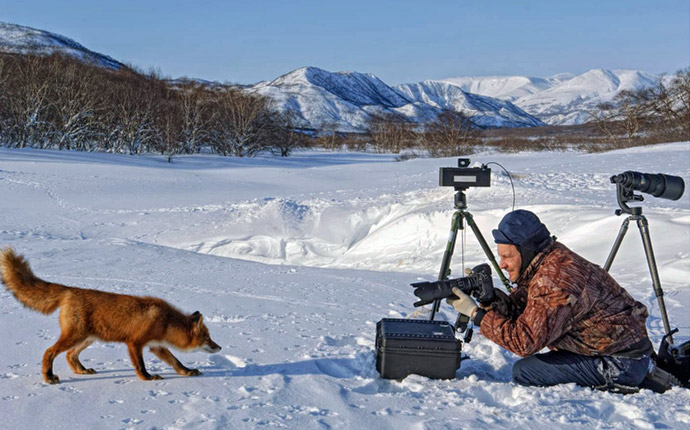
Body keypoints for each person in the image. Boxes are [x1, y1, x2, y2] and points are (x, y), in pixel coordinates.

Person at [447, 209, 659, 392]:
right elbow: (524, 308)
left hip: (620, 363)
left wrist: (477, 315)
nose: (502, 265)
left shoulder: (554, 279)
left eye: (507, 256)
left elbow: (525, 342)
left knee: (526, 371)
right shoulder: (550, 259)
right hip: (623, 351)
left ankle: (619, 383)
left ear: (526, 250)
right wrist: (489, 298)